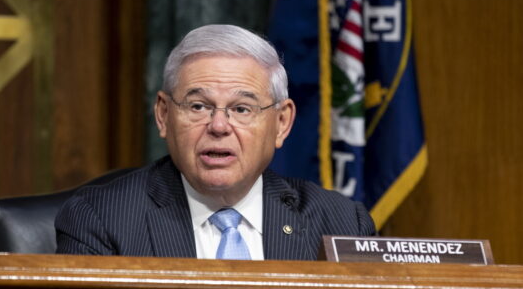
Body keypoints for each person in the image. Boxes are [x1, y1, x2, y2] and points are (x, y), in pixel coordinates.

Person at [55, 24, 375, 260]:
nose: (219, 126)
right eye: (198, 106)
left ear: (281, 123)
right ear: (164, 115)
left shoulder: (341, 223)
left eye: (242, 109)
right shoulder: (101, 218)